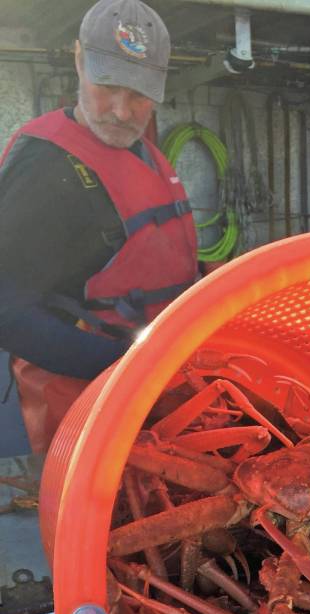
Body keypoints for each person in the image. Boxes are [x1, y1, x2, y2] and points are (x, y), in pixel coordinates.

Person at [0, 0, 198, 452]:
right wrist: (131, 368)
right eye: (107, 86)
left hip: (153, 395)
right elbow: (6, 311)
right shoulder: (44, 167)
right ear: (78, 60)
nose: (122, 112)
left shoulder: (140, 148)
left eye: (139, 94)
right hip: (88, 410)